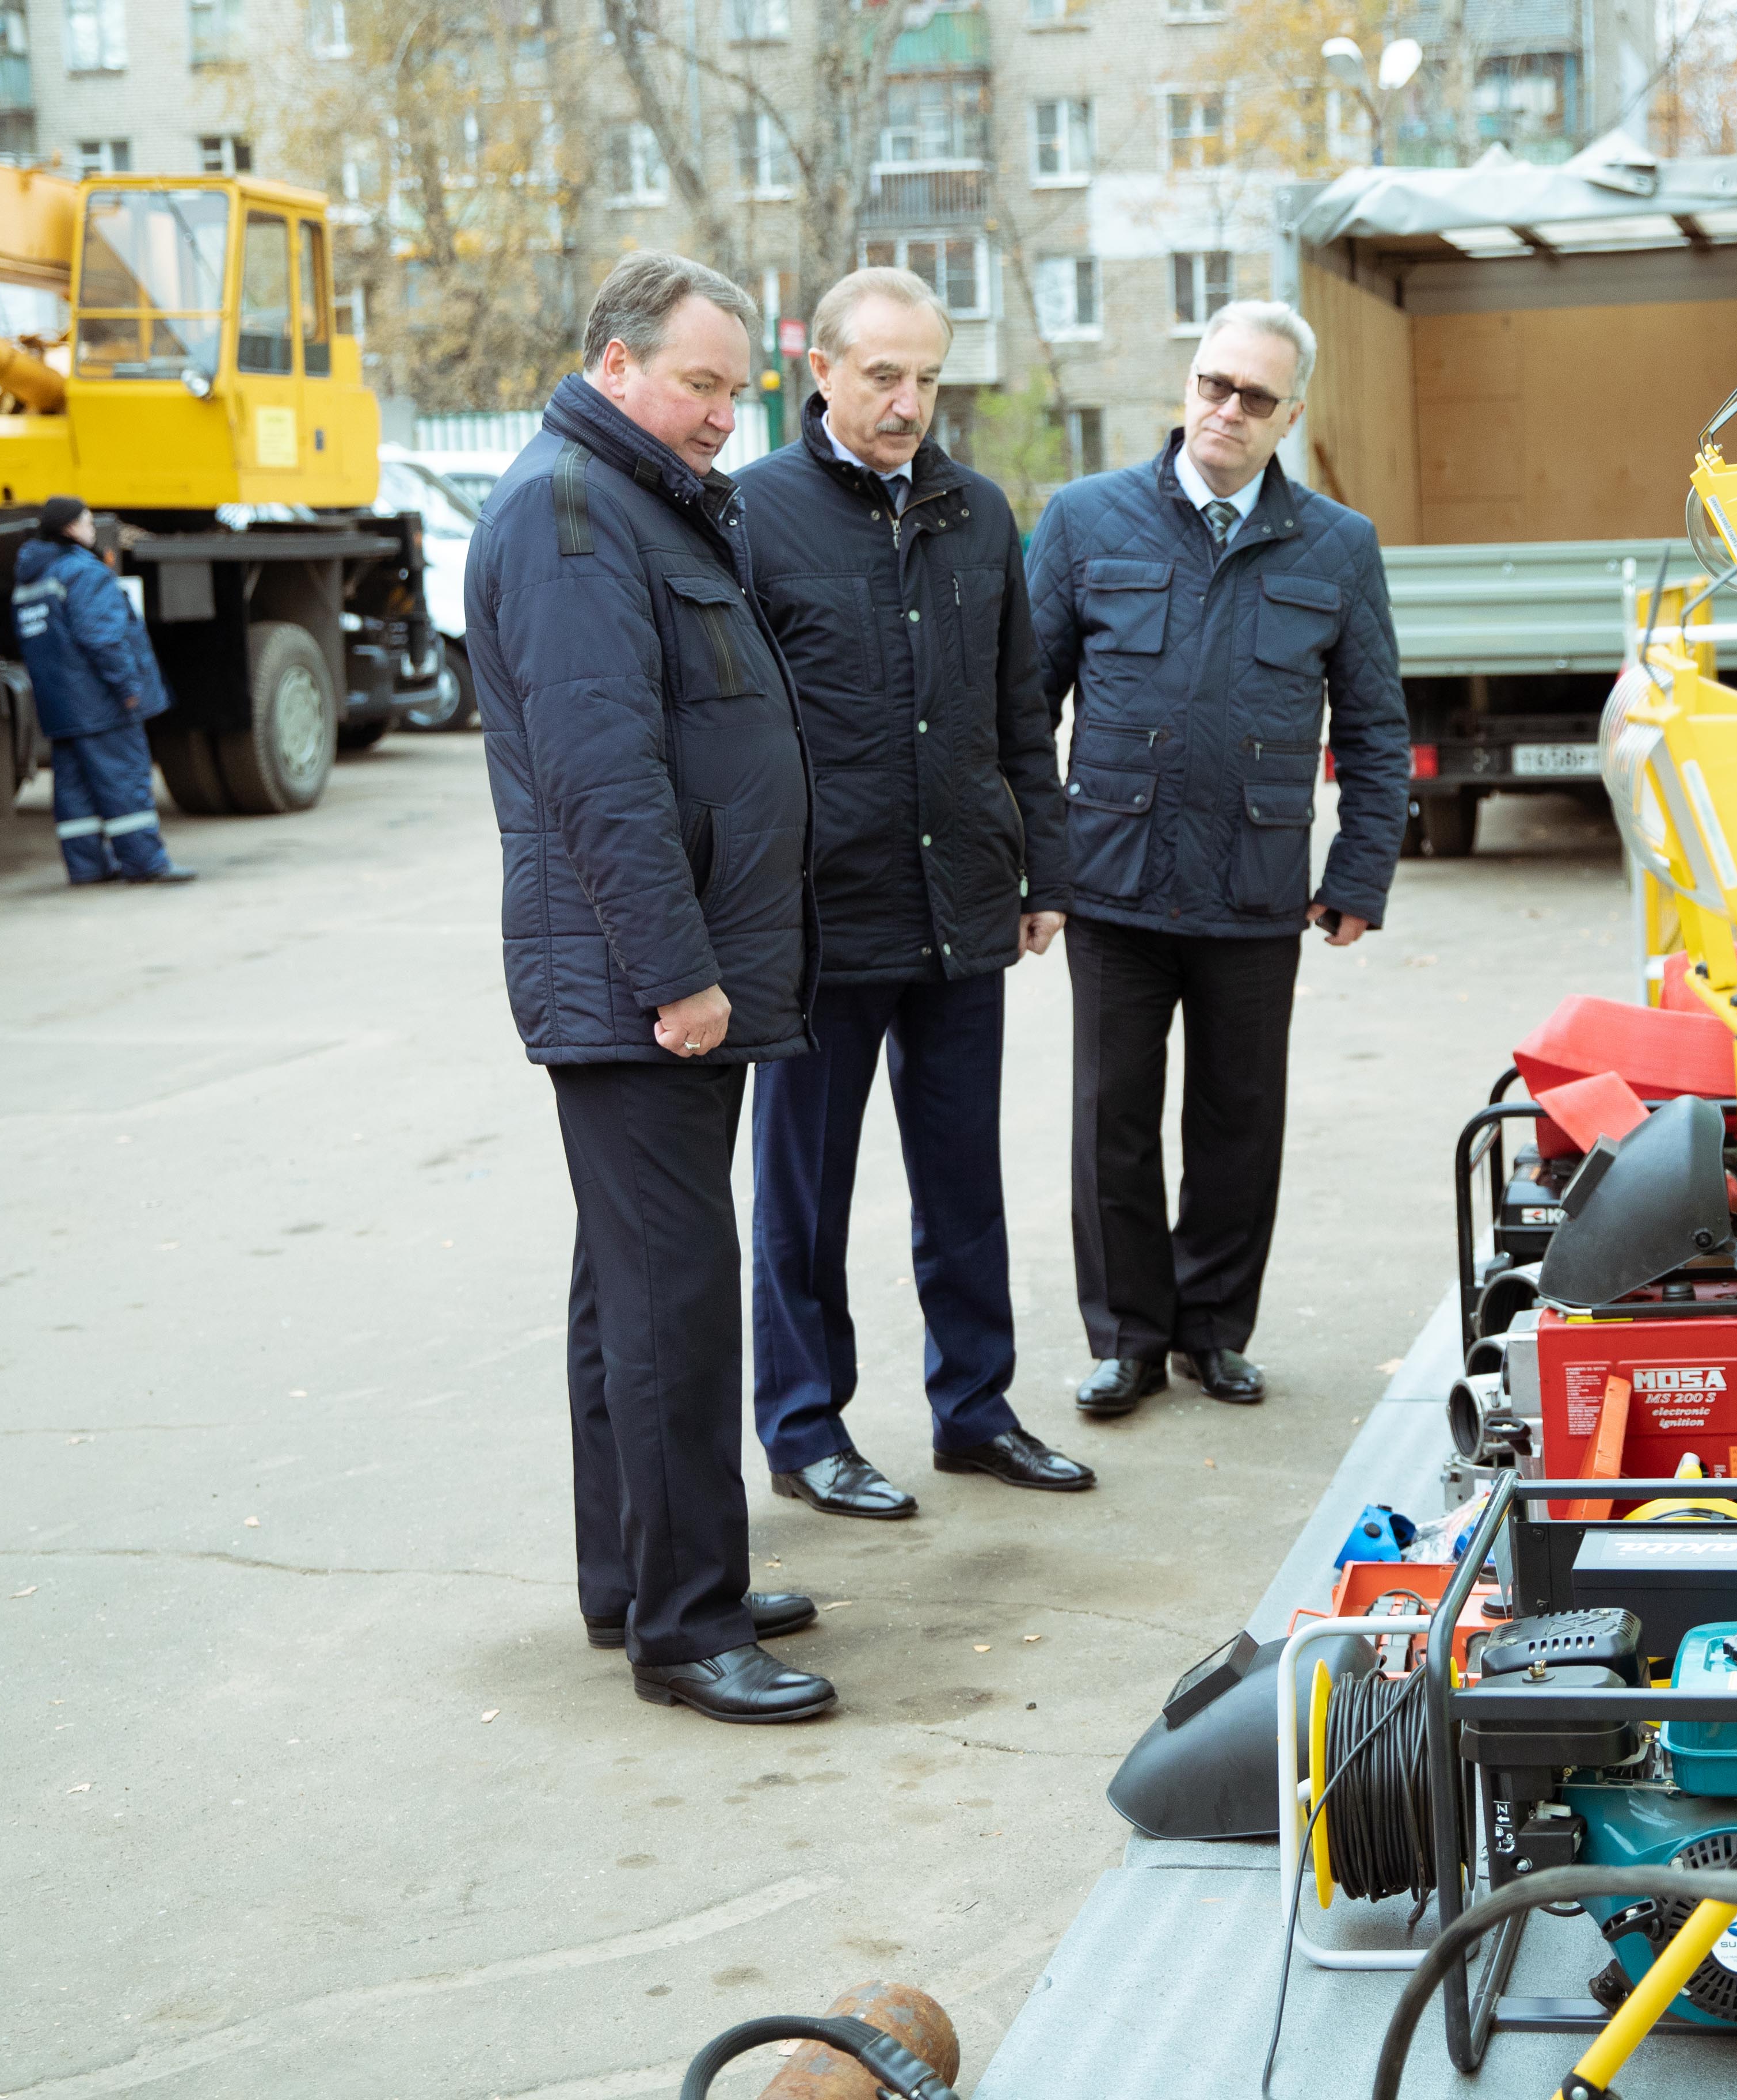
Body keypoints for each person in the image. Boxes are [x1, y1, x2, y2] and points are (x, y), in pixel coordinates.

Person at [466, 252, 833, 1726]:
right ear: (614, 364)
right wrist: (678, 974)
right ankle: (688, 1628)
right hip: (642, 987)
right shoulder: (571, 515)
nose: (723, 415)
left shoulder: (633, 498)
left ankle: (638, 1577)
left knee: (629, 1288)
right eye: (699, 384)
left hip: (655, 977)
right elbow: (601, 776)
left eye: (736, 389)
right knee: (675, 1301)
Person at [733, 267, 1095, 1517]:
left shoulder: (977, 513)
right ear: (821, 370)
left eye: (928, 378)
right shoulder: (753, 514)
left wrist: (1044, 869)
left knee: (962, 1181)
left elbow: (1018, 711)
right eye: (883, 375)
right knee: (803, 1195)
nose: (907, 402)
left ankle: (975, 1411)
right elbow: (730, 732)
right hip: (820, 921)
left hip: (962, 908)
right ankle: (803, 1429)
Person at [1023, 301, 1410, 1419]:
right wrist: (1034, 869)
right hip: (1113, 881)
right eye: (1213, 384)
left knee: (1239, 1123)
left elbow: (1375, 728)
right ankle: (1127, 1340)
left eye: (1254, 396)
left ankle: (1213, 1331)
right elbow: (1021, 711)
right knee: (1112, 1121)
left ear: (1292, 414)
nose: (1226, 410)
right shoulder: (1086, 521)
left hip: (1253, 886)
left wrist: (1359, 874)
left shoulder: (1338, 546)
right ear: (1188, 385)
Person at [10, 496, 195, 885]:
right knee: (125, 780)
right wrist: (128, 688)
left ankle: (87, 867)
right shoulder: (83, 572)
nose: (92, 529)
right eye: (88, 521)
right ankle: (146, 863)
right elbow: (104, 639)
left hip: (62, 706)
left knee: (75, 790)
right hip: (101, 703)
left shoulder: (31, 578)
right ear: (70, 528)